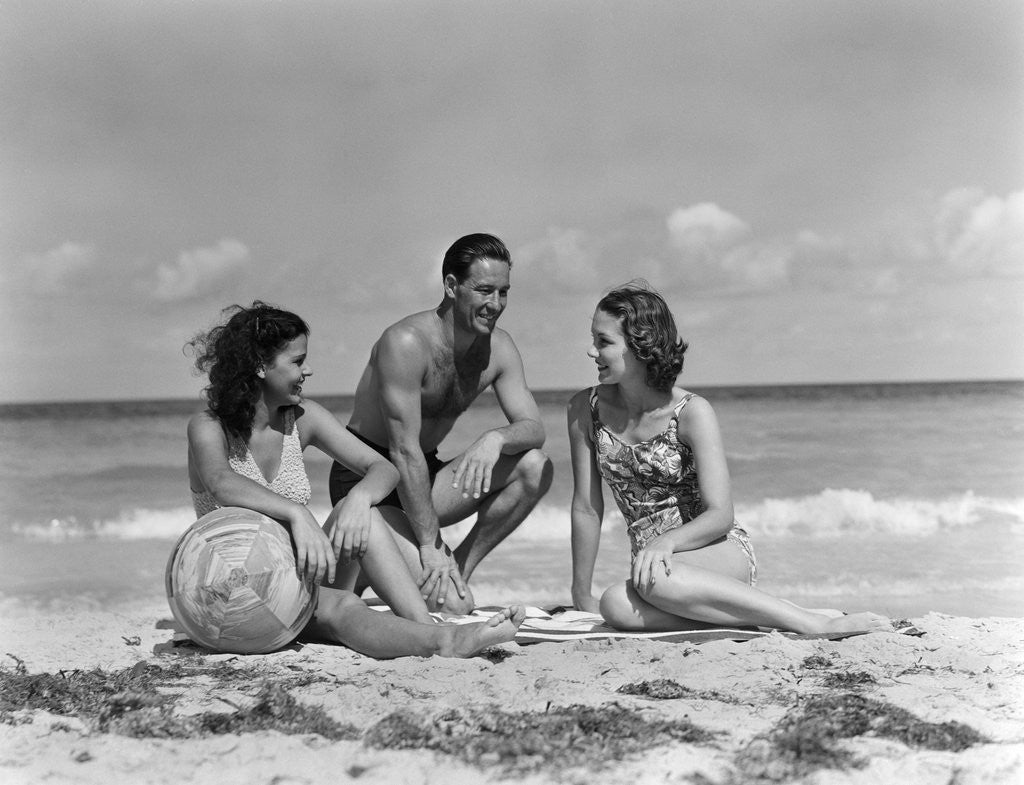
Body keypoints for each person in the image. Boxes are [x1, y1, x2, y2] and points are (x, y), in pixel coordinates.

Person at [186, 301, 525, 658]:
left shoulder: (303, 418)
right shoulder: (209, 427)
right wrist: (297, 514)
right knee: (342, 607)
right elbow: (221, 482)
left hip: (298, 574)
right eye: (297, 361)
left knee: (363, 516)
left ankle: (425, 628)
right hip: (232, 594)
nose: (308, 370)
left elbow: (384, 468)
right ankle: (442, 641)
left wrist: (359, 499)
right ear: (259, 366)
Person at [567, 283, 891, 635]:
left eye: (604, 341)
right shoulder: (585, 409)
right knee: (614, 603)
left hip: (715, 551)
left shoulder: (692, 413)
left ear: (640, 346)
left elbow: (721, 515)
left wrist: (667, 542)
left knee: (650, 581)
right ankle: (754, 616)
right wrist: (580, 590)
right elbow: (586, 506)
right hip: (656, 570)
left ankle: (810, 622)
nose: (591, 351)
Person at [329, 233, 553, 613]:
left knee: (535, 466)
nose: (495, 304)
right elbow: (402, 449)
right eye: (484, 290)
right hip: (370, 477)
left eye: (503, 292)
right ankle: (377, 561)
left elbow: (534, 428)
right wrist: (430, 547)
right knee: (453, 608)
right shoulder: (405, 343)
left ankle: (456, 570)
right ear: (451, 285)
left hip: (424, 475)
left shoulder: (499, 348)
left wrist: (495, 438)